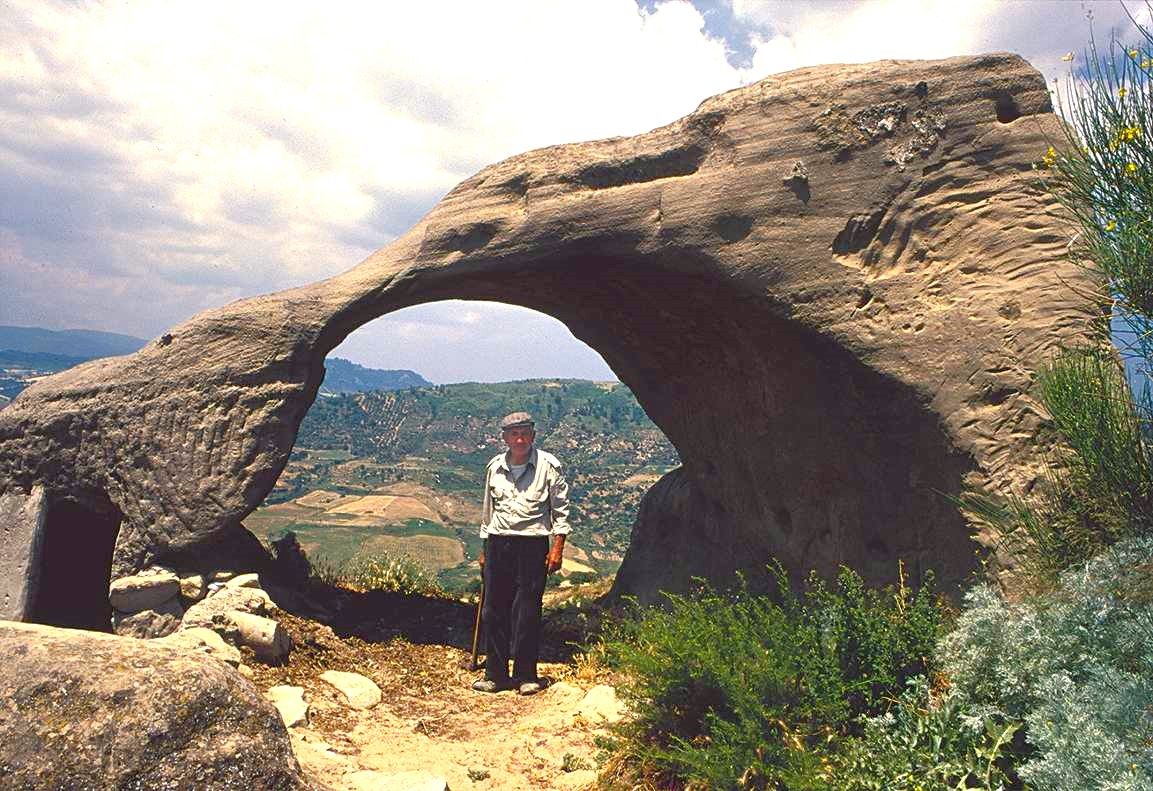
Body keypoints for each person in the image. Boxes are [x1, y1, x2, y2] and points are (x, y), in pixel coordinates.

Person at [472, 411, 570, 695]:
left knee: (527, 610)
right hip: (498, 541)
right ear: (504, 438)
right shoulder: (494, 467)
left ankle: (526, 675)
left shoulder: (549, 466)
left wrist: (557, 547)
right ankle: (496, 675)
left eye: (525, 433)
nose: (520, 439)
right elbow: (487, 510)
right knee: (493, 609)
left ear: (533, 436)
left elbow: (560, 509)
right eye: (514, 434)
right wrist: (484, 548)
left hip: (532, 543)